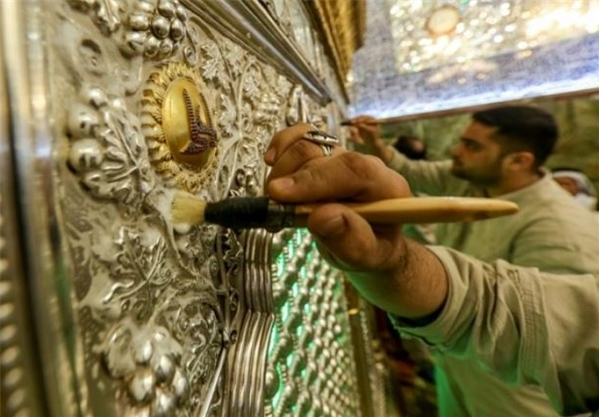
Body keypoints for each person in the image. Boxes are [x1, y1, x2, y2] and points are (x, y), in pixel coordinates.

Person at [264, 122, 599, 416]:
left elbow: (551, 340)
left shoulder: (565, 232)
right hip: (460, 376)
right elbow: (500, 309)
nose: (456, 151)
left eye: (472, 145)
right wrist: (391, 261)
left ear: (519, 161)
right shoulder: (475, 181)